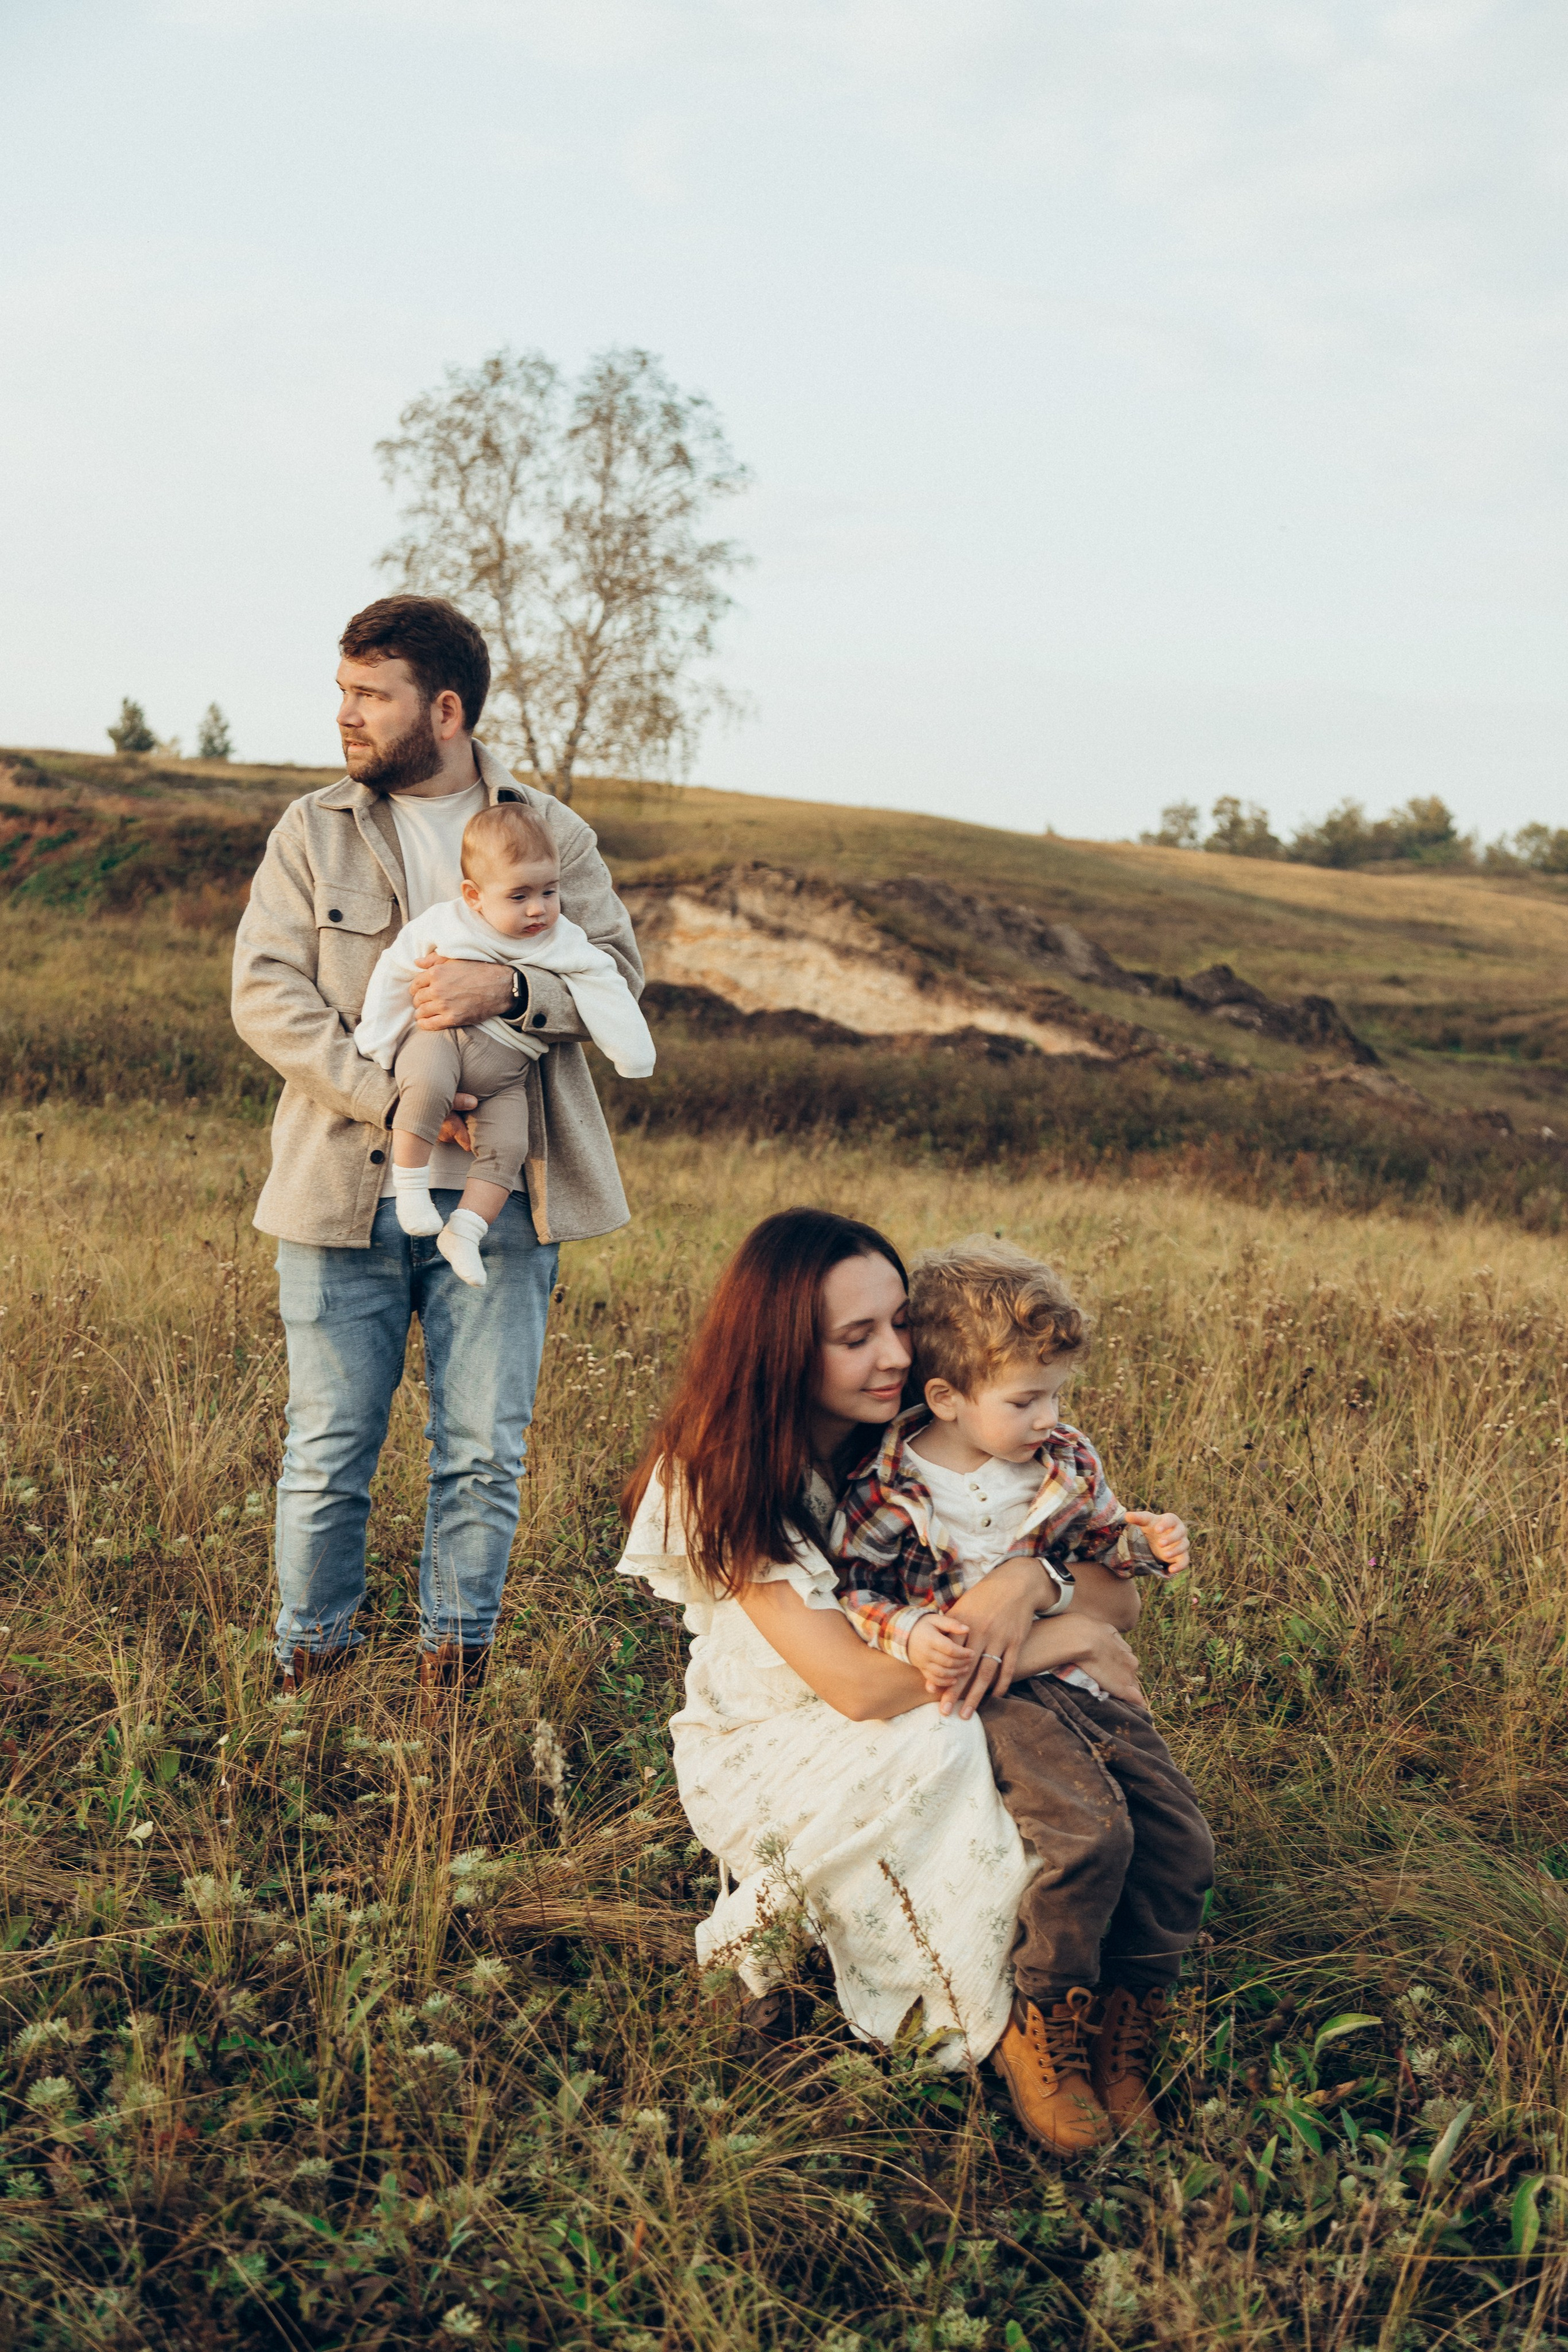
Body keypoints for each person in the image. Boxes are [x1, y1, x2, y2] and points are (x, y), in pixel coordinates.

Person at [615, 1207, 1152, 2091]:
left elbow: (1115, 1593)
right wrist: (1070, 1638)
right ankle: (989, 2026)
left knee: (1049, 1758)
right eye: (854, 1337)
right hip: (774, 1736)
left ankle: (1086, 2006)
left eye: (900, 1322)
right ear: (784, 1347)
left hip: (931, 1693)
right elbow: (861, 1688)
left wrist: (1029, 1585)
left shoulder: (933, 1426)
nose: (896, 1356)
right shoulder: (719, 1467)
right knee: (957, 1738)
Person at [232, 594, 644, 1700]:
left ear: (446, 709)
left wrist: (508, 986)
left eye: (371, 695)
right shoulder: (312, 830)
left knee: (481, 1455)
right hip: (340, 1191)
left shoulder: (553, 832)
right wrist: (392, 1098)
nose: (347, 716)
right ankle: (305, 1675)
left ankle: (449, 1679)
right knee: (328, 1455)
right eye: (343, 692)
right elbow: (266, 995)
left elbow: (619, 978)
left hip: (509, 1204)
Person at [829, 1234, 1214, 2154]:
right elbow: (857, 1589)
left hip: (1086, 1681)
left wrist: (1148, 1543)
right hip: (1003, 1695)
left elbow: (1104, 1546)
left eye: (1057, 1393)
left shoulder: (1064, 1461)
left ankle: (1127, 2022)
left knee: (1178, 1840)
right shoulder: (890, 1486)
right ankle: (1047, 2021)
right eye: (1027, 1398)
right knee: (1088, 1834)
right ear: (947, 1398)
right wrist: (915, 1631)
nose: (1052, 1415)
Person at [353, 800, 654, 1286]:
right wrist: (379, 1045)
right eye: (519, 896)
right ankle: (411, 1187)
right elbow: (393, 973)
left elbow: (606, 982)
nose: (538, 908)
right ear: (474, 896)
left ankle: (466, 1231)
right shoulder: (445, 925)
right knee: (426, 1088)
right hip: (440, 1041)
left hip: (509, 1074)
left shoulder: (562, 938)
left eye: (549, 891)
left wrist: (634, 1055)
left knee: (510, 1145)